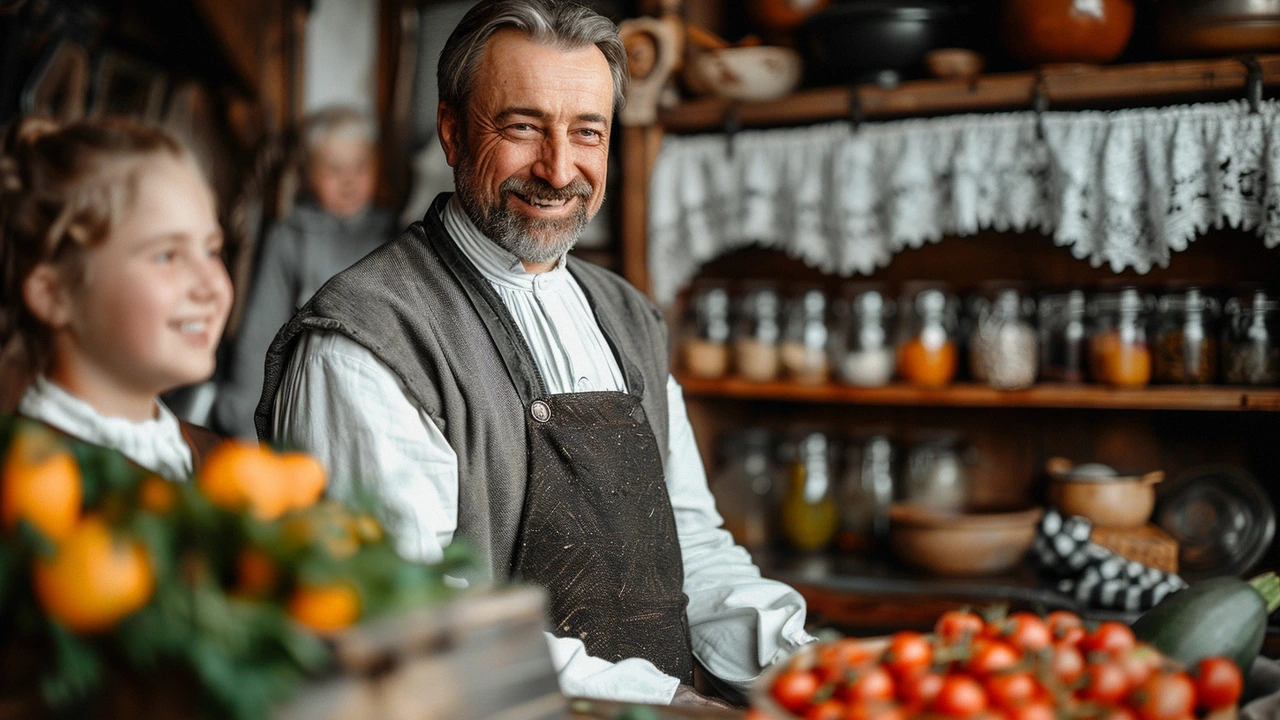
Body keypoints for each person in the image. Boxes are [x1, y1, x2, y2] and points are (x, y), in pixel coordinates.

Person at [258, 0, 814, 707]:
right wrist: (666, 703)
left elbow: (691, 549)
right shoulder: (366, 341)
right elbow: (418, 624)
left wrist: (812, 669)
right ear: (452, 131)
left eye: (588, 132)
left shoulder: (628, 318)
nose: (559, 170)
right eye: (523, 128)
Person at [0, 117, 232, 478]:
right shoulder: (27, 480)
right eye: (167, 255)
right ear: (54, 294)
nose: (212, 285)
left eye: (211, 250)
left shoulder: (219, 460)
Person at [213, 106, 395, 438]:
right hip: (305, 398)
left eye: (360, 166)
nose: (349, 180)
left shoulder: (394, 236)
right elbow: (260, 335)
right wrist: (244, 425)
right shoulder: (290, 238)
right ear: (309, 173)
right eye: (334, 169)